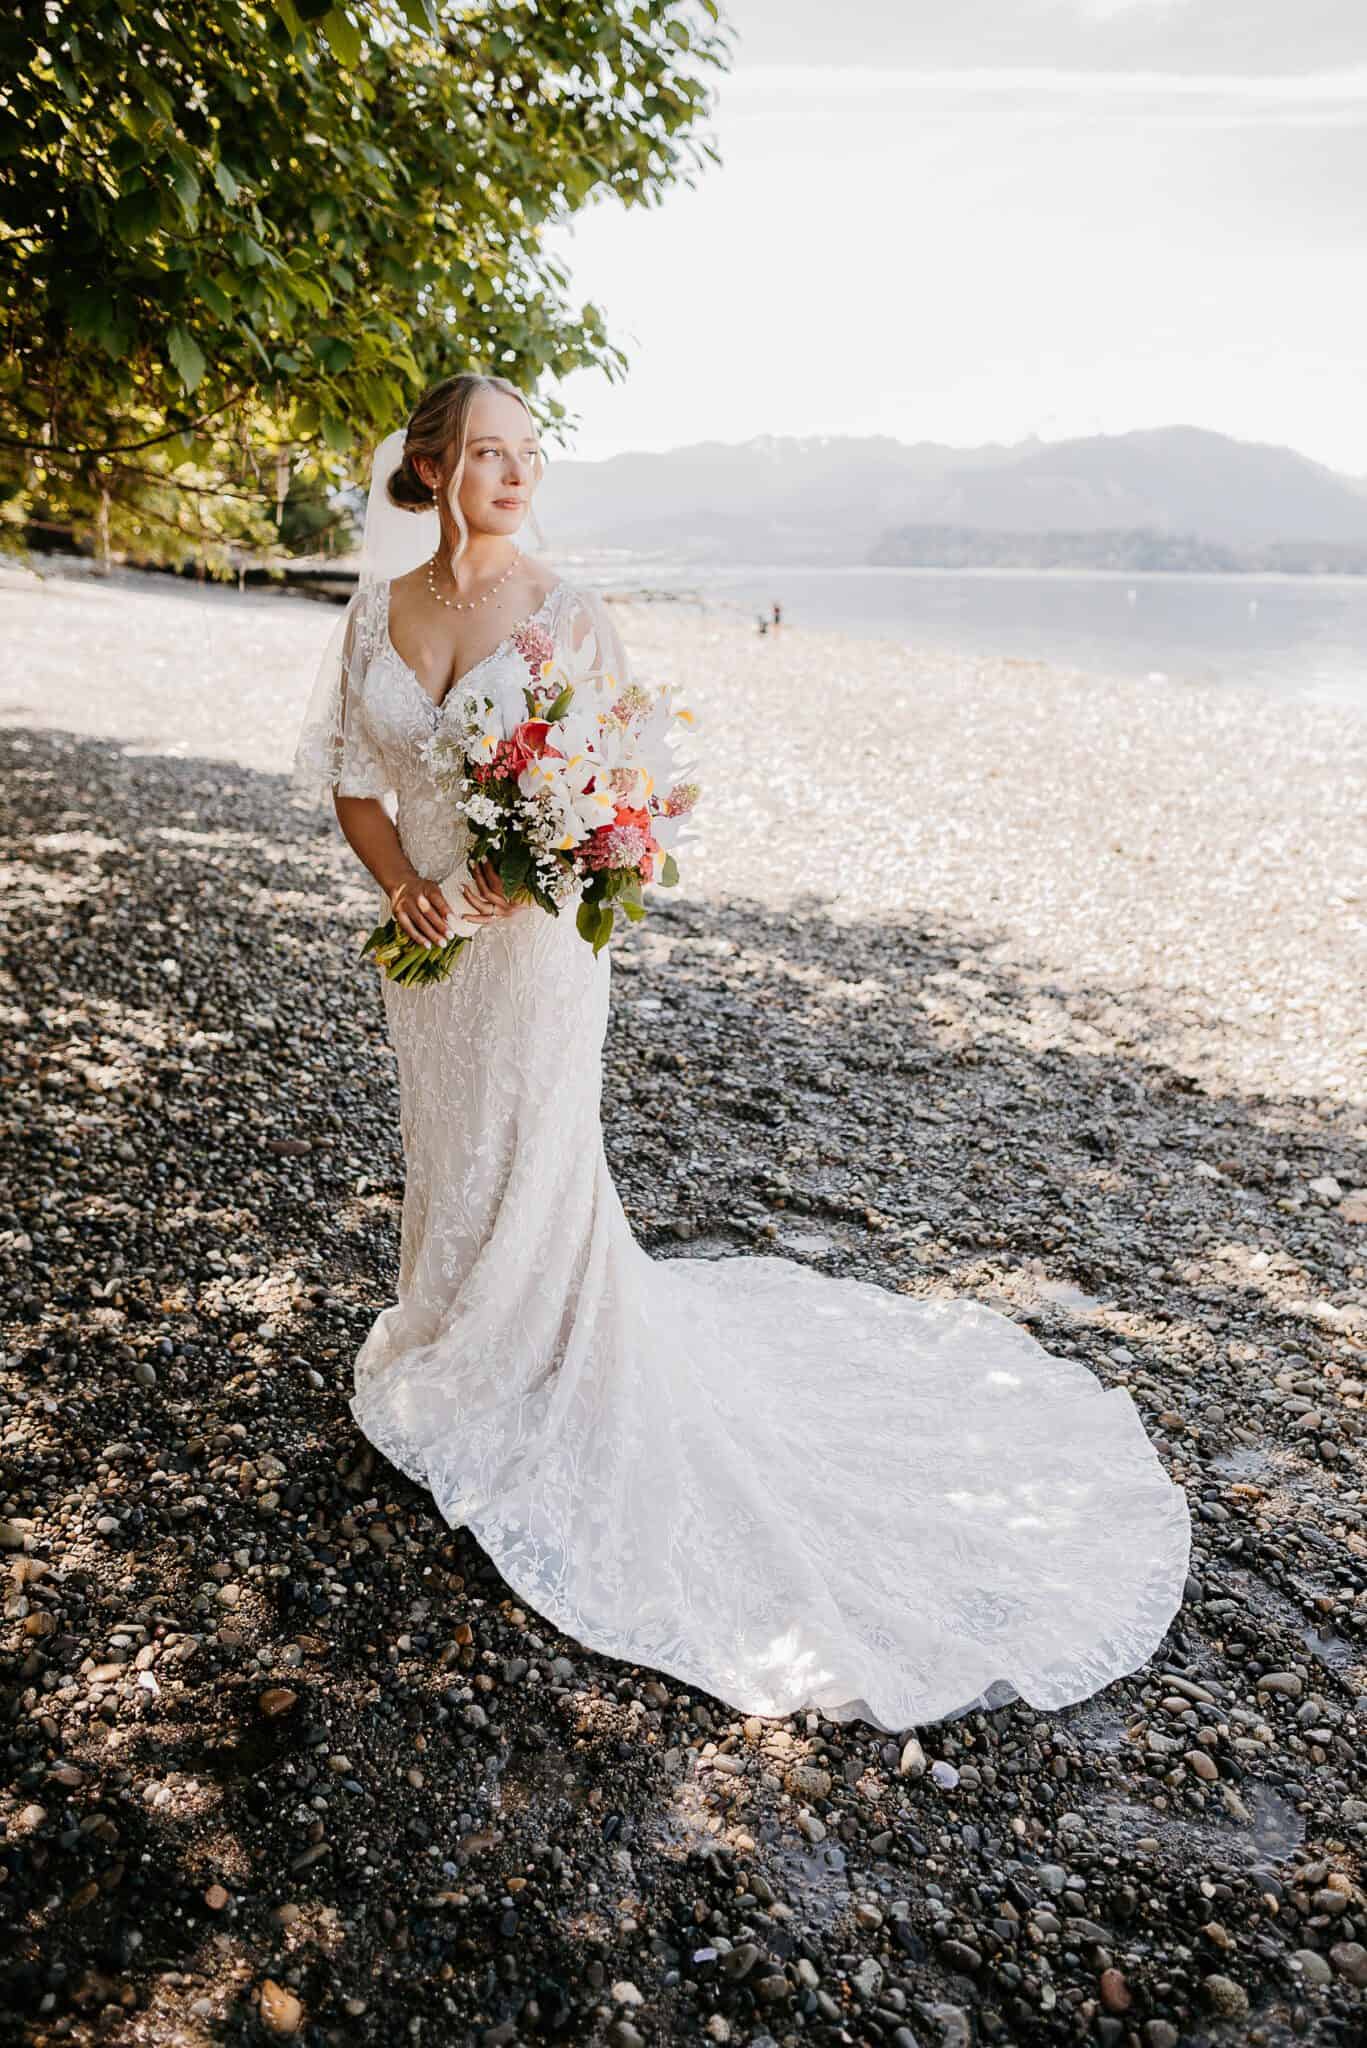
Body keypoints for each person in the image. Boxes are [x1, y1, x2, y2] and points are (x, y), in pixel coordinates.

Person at [291, 371, 1191, 1731]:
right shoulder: (381, 607)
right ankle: (450, 1335)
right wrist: (406, 891)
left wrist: (508, 889)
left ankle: (534, 1364)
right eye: (489, 454)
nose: (518, 476)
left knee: (532, 1142)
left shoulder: (567, 612)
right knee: (447, 1137)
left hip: (531, 949)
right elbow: (356, 781)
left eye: (530, 454)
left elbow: (608, 804)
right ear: (431, 467)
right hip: (430, 948)